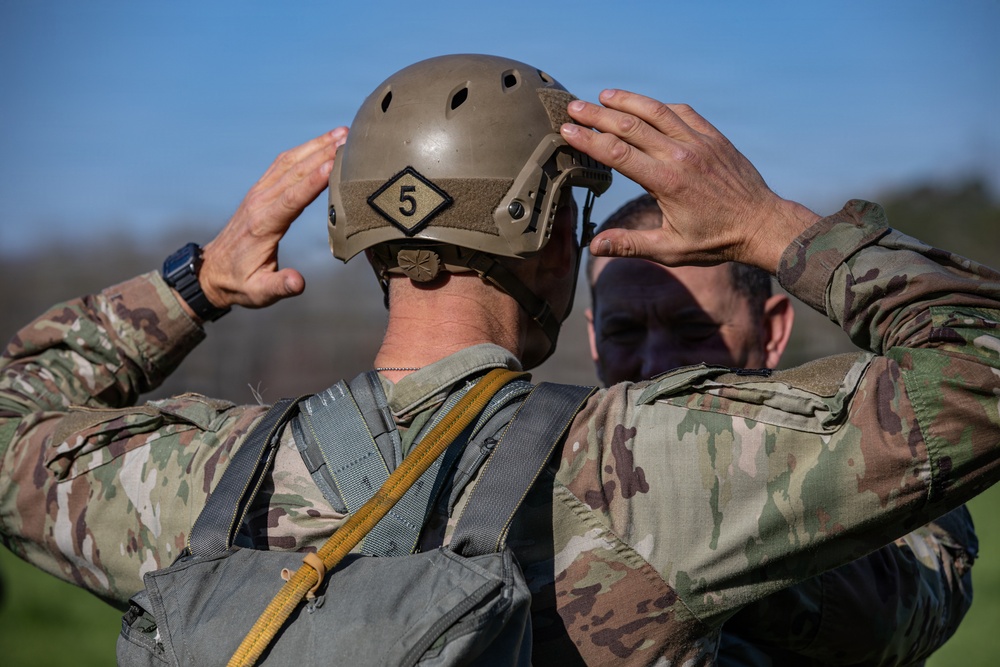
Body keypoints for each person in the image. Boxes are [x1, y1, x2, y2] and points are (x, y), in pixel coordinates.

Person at [1, 54, 999, 665]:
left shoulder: (201, 481)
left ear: (359, 233)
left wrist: (198, 283)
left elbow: (13, 419)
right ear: (551, 241)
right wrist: (771, 224)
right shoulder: (641, 467)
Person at [585, 193, 978, 665]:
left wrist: (698, 535)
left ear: (771, 331)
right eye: (623, 332)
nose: (655, 363)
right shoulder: (556, 458)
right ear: (593, 337)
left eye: (693, 329)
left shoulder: (851, 440)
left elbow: (916, 599)